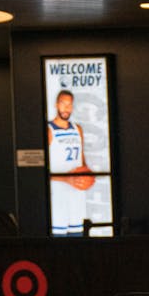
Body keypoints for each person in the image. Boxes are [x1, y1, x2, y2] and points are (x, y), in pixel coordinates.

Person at [47, 89, 94, 236]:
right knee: (59, 242)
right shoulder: (48, 130)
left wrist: (88, 174)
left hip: (76, 196)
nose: (66, 108)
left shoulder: (77, 129)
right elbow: (41, 171)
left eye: (69, 105)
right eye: (63, 103)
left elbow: (81, 158)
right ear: (56, 105)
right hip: (57, 195)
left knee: (77, 241)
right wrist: (66, 178)